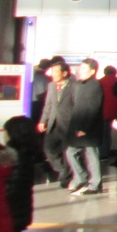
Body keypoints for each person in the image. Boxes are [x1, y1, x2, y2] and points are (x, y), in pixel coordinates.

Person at [66, 59, 105, 196]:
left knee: (91, 155)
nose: (79, 71)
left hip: (89, 128)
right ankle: (81, 178)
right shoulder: (82, 85)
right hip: (79, 126)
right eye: (80, 68)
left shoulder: (94, 86)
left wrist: (85, 128)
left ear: (92, 71)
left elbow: (93, 108)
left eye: (83, 69)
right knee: (71, 152)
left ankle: (94, 184)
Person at [39, 56, 73, 186]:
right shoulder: (51, 86)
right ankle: (62, 170)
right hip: (53, 124)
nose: (52, 74)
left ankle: (65, 177)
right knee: (49, 149)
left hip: (68, 124)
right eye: (51, 71)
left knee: (67, 152)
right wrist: (43, 120)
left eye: (55, 71)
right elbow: (48, 105)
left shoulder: (73, 86)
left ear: (64, 73)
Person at [99, 64, 117, 160]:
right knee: (108, 132)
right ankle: (107, 152)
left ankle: (103, 154)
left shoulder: (100, 82)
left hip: (102, 111)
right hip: (114, 111)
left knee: (102, 133)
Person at [30, 59, 49, 126]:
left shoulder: (31, 75)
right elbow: (47, 92)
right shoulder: (46, 78)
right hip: (39, 103)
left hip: (30, 102)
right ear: (48, 67)